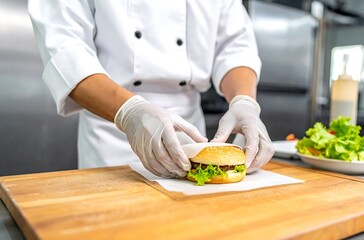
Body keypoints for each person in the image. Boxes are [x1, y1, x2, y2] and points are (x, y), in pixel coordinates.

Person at [28, 0, 275, 178]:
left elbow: (235, 47)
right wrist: (131, 112)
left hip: (190, 136)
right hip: (114, 132)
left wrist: (244, 102)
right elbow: (66, 52)